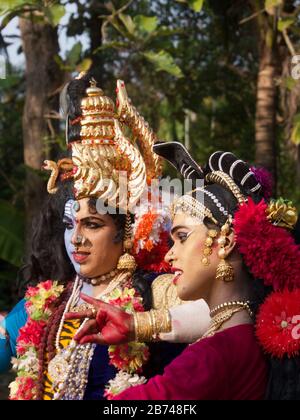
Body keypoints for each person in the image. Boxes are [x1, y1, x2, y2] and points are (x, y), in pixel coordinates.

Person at [0, 76, 210, 400]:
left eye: (93, 225)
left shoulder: (154, 291)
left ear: (126, 231)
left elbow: (225, 315)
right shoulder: (50, 301)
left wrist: (141, 325)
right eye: (70, 224)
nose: (76, 239)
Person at [68, 144, 300, 400]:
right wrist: (135, 324)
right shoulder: (245, 337)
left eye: (182, 237)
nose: (169, 254)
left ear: (227, 241)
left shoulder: (215, 356)